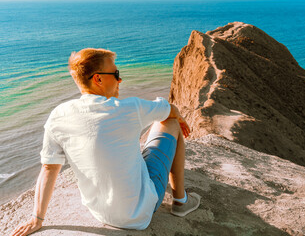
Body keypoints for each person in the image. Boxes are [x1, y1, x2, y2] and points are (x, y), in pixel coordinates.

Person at [10, 48, 201, 236]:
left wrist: (37, 219)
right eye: (116, 73)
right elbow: (170, 110)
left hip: (100, 213)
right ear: (98, 79)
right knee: (171, 123)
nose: (120, 79)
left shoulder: (58, 116)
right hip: (140, 214)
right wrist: (179, 118)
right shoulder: (130, 108)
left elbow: (49, 169)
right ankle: (181, 202)